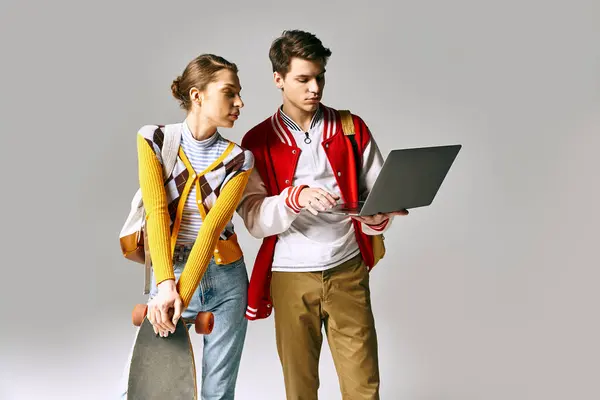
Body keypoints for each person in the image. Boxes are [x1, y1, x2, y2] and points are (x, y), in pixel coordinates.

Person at [236, 30, 408, 399]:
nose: (315, 88)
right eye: (303, 79)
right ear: (278, 80)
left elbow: (374, 195)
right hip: (290, 275)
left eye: (320, 77)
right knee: (300, 388)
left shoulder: (351, 127)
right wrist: (293, 198)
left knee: (363, 386)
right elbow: (253, 218)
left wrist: (377, 217)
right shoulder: (256, 141)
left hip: (347, 268)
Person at [119, 53, 254, 399]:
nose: (240, 102)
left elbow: (211, 230)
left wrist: (181, 291)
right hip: (172, 270)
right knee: (145, 388)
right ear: (197, 95)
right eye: (230, 92)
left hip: (227, 279)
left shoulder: (239, 159)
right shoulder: (154, 140)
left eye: (239, 93)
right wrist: (167, 286)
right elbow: (156, 213)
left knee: (217, 393)